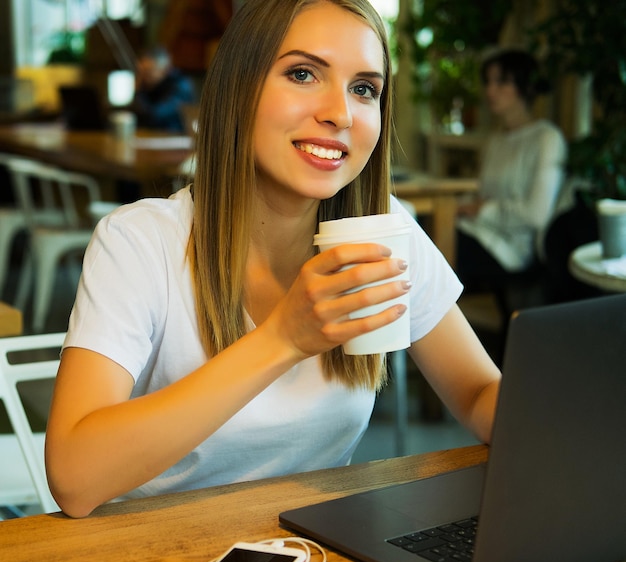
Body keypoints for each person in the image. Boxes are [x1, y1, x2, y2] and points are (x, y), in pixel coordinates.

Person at [45, 0, 501, 519]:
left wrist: (565, 416)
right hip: (155, 554)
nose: (340, 113)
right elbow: (74, 479)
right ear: (239, 88)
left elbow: (478, 391)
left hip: (319, 554)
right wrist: (283, 338)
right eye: (303, 74)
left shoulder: (381, 230)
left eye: (364, 89)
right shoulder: (140, 242)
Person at [455, 49, 567, 287]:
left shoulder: (547, 138)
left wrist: (482, 209)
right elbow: (480, 193)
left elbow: (536, 215)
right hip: (475, 232)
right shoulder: (496, 140)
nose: (490, 90)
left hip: (510, 250)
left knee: (430, 253)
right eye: (488, 81)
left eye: (501, 81)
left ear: (524, 86)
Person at [132, 45, 196, 132]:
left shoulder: (180, 86)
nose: (142, 77)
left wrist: (138, 92)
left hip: (176, 140)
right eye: (140, 72)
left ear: (165, 69)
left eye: (148, 72)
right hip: (152, 138)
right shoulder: (150, 86)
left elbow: (155, 116)